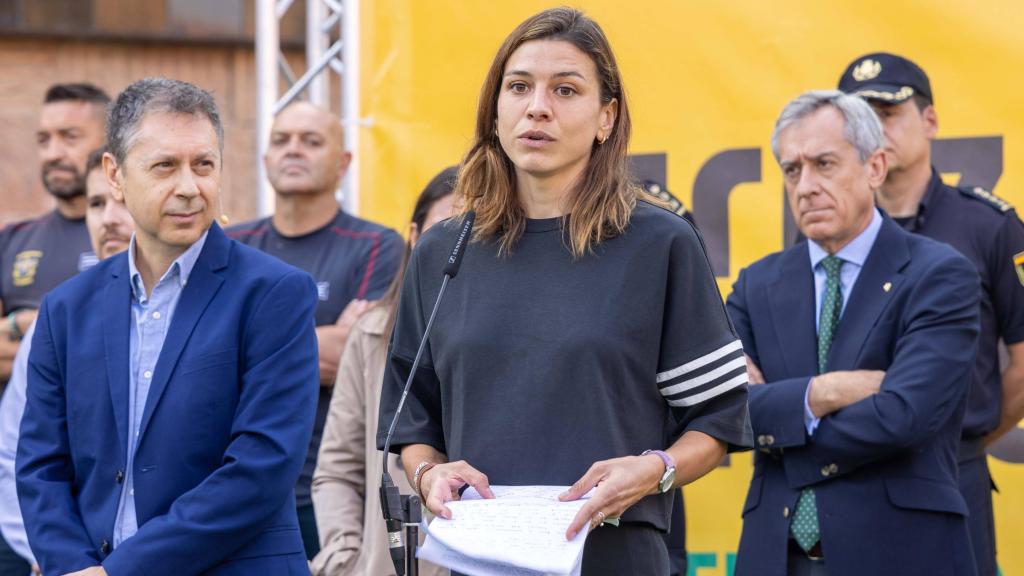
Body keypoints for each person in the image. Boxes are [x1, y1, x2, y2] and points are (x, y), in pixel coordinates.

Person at [377, 8, 752, 574]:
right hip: (481, 559)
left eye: (566, 89)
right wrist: (429, 473)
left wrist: (654, 469)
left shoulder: (661, 244)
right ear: (495, 109)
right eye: (519, 86)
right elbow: (414, 424)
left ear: (607, 116)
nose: (537, 107)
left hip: (615, 555)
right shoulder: (441, 252)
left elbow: (718, 419)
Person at [16, 77, 319, 575]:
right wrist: (73, 566)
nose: (189, 186)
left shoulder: (275, 293)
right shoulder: (66, 308)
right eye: (164, 166)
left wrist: (121, 571)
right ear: (114, 175)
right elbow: (40, 466)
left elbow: (261, 467)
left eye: (204, 165)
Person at [730, 90, 981, 576]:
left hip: (903, 554)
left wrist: (779, 421)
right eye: (791, 169)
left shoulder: (939, 275)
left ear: (875, 167)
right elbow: (725, 411)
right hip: (774, 558)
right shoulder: (755, 285)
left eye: (824, 164)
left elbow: (905, 415)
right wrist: (822, 393)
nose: (805, 186)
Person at [837, 52, 1024, 576]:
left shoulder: (988, 225)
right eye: (859, 117)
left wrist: (949, 437)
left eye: (889, 112)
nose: (875, 129)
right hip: (850, 474)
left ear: (931, 120)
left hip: (952, 473)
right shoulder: (828, 228)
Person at [227, 101, 402, 557]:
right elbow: (200, 355)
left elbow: (353, 353)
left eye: (312, 141)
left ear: (344, 162)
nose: (294, 151)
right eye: (281, 140)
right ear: (264, 159)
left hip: (325, 488)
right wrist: (315, 342)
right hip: (233, 482)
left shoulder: (377, 246)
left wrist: (239, 348)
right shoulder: (230, 246)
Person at [311, 165, 457, 576]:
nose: (459, 246)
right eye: (445, 228)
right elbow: (337, 471)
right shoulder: (373, 333)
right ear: (414, 235)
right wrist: (345, 562)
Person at [0, 146, 134, 576]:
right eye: (96, 204)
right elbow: (16, 457)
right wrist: (57, 557)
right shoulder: (58, 318)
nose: (108, 219)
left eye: (122, 201)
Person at [0, 83, 107, 385]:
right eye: (44, 140)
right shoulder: (12, 240)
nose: (52, 153)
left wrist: (24, 329)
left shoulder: (128, 237)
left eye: (69, 137)